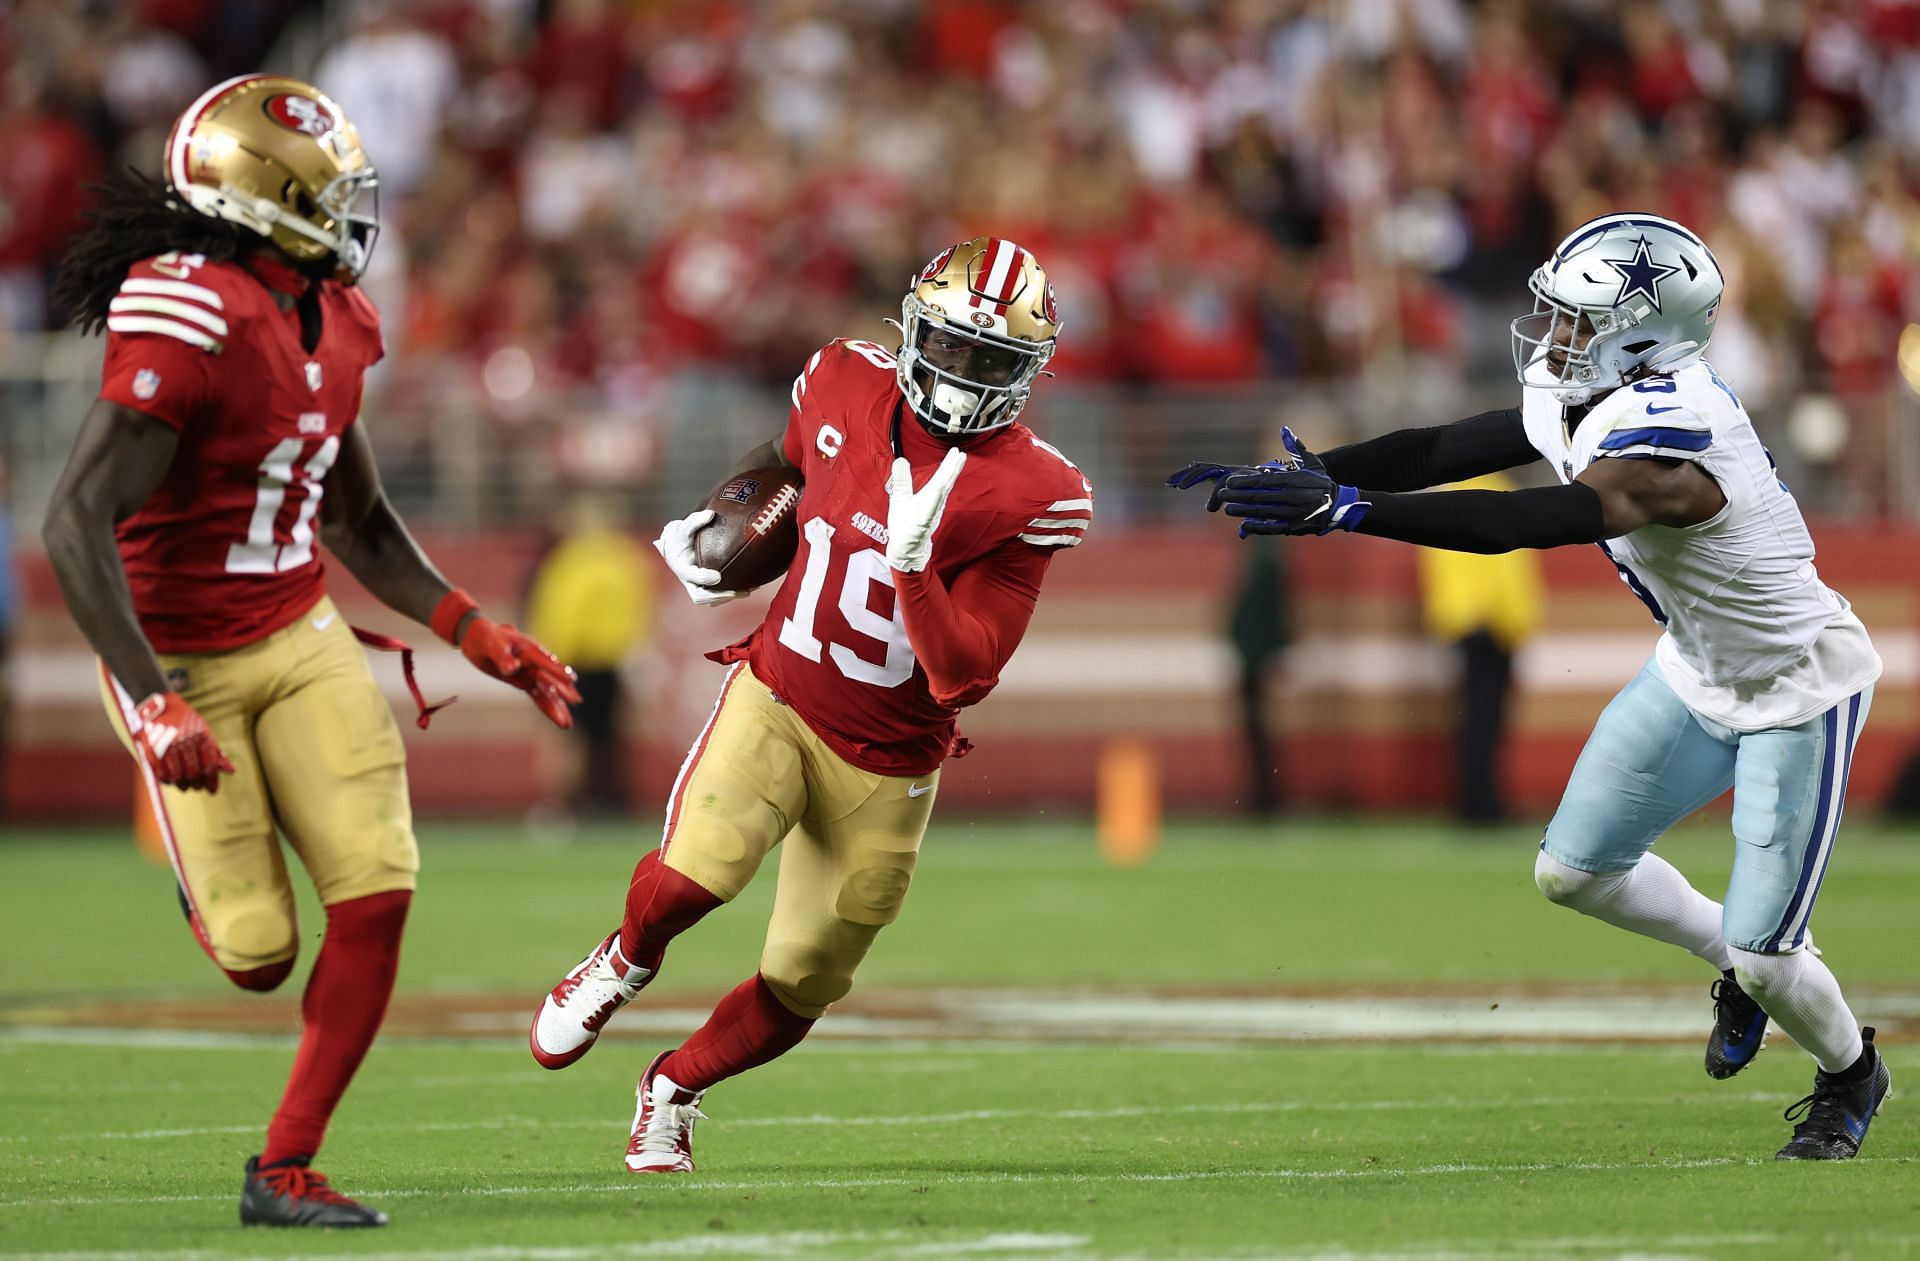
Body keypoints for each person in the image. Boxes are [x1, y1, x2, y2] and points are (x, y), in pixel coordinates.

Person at [1170, 213, 1887, 1162]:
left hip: (1799, 685)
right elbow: (1441, 450)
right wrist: (1311, 473)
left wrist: (1347, 511)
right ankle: (1729, 961)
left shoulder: (1678, 435)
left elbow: (1538, 519)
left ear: (1644, 335)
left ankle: (1850, 1073)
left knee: (1770, 956)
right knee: (1572, 872)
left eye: (1579, 319)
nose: (1555, 336)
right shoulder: (1596, 385)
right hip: (1699, 667)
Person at [43, 75, 579, 1227]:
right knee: (258, 954)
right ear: (263, 201)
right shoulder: (187, 314)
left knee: (379, 888)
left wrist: (477, 632)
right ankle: (209, 876)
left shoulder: (335, 315)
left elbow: (357, 521)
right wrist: (150, 708)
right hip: (174, 656)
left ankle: (284, 1166)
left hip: (297, 631)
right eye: (329, 193)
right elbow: (73, 520)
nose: (352, 214)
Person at [528, 237, 1092, 1174]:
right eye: (948, 346)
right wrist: (730, 525)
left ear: (1025, 373)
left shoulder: (1036, 492)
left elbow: (966, 673)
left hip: (892, 758)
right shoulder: (840, 380)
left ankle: (673, 1086)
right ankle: (624, 958)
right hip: (782, 693)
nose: (960, 374)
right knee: (698, 871)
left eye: (988, 361)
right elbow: (793, 462)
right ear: (912, 331)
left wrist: (914, 572)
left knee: (807, 975)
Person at [1416, 472, 1544, 824]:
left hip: (1470, 622)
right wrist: (1509, 618)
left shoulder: (1450, 494)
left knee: (1477, 718)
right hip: (1488, 624)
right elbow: (1504, 567)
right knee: (1484, 720)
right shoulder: (1497, 490)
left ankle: (1477, 801)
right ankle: (1481, 805)